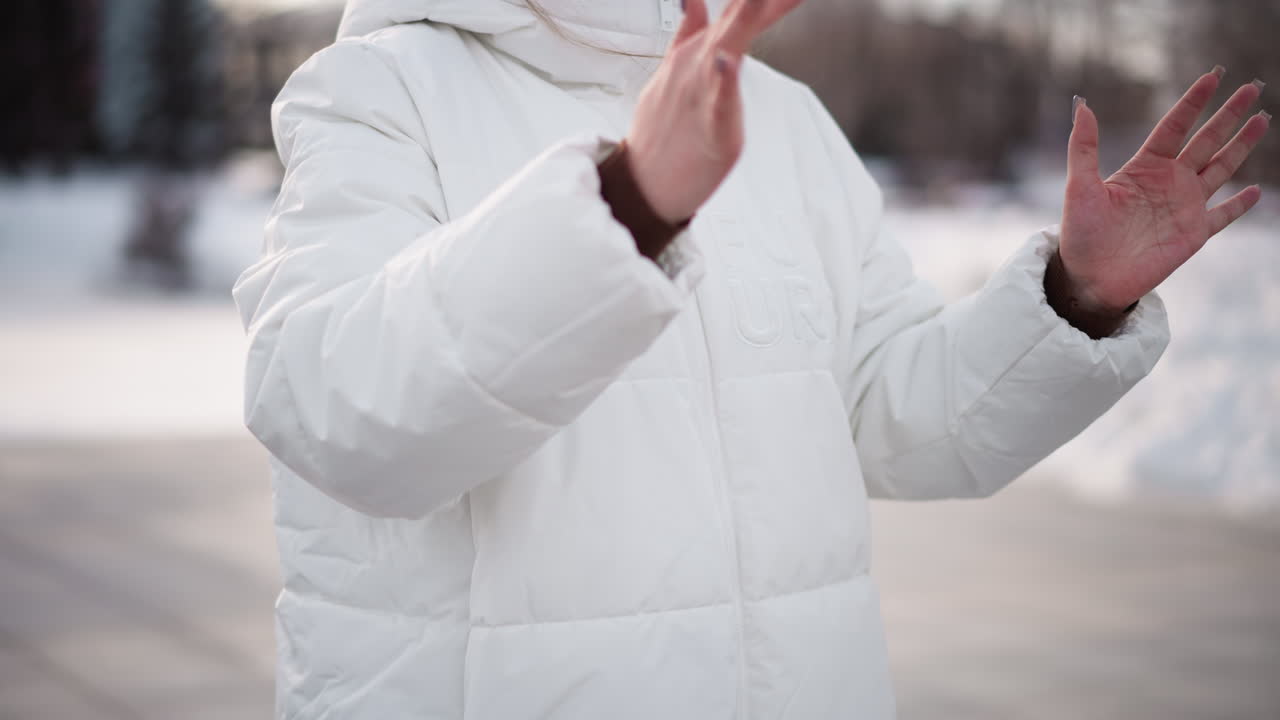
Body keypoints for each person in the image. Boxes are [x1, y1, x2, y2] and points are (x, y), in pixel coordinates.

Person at [232, 0, 1270, 717]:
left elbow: (895, 420)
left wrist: (1075, 296)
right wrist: (626, 202)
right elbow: (335, 409)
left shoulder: (786, 121)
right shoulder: (381, 89)